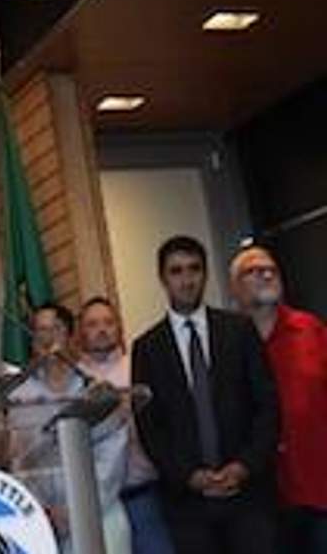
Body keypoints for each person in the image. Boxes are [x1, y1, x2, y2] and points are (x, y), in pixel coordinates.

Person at [132, 235, 278, 554]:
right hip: (187, 504)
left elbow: (267, 406)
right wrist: (188, 476)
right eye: (177, 271)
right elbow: (149, 426)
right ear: (163, 278)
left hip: (248, 495)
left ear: (205, 274)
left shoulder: (239, 329)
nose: (186, 280)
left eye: (194, 269)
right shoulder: (147, 348)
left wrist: (244, 465)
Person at [8, 304, 130, 553]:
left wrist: (76, 509)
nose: (47, 338)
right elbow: (19, 462)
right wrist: (43, 511)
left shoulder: (95, 389)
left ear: (71, 337)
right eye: (40, 331)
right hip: (43, 523)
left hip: (100, 514)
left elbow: (112, 456)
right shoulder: (20, 397)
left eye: (56, 329)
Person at [229, 245, 327, 551]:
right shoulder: (226, 344)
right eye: (253, 271)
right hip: (260, 499)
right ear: (234, 288)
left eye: (271, 269)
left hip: (318, 487)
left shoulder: (311, 330)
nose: (266, 274)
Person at [75, 296, 174, 554]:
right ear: (80, 332)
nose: (101, 329)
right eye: (92, 324)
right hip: (98, 504)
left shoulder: (139, 367)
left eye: (108, 322)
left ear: (119, 327)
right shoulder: (74, 380)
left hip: (144, 493)